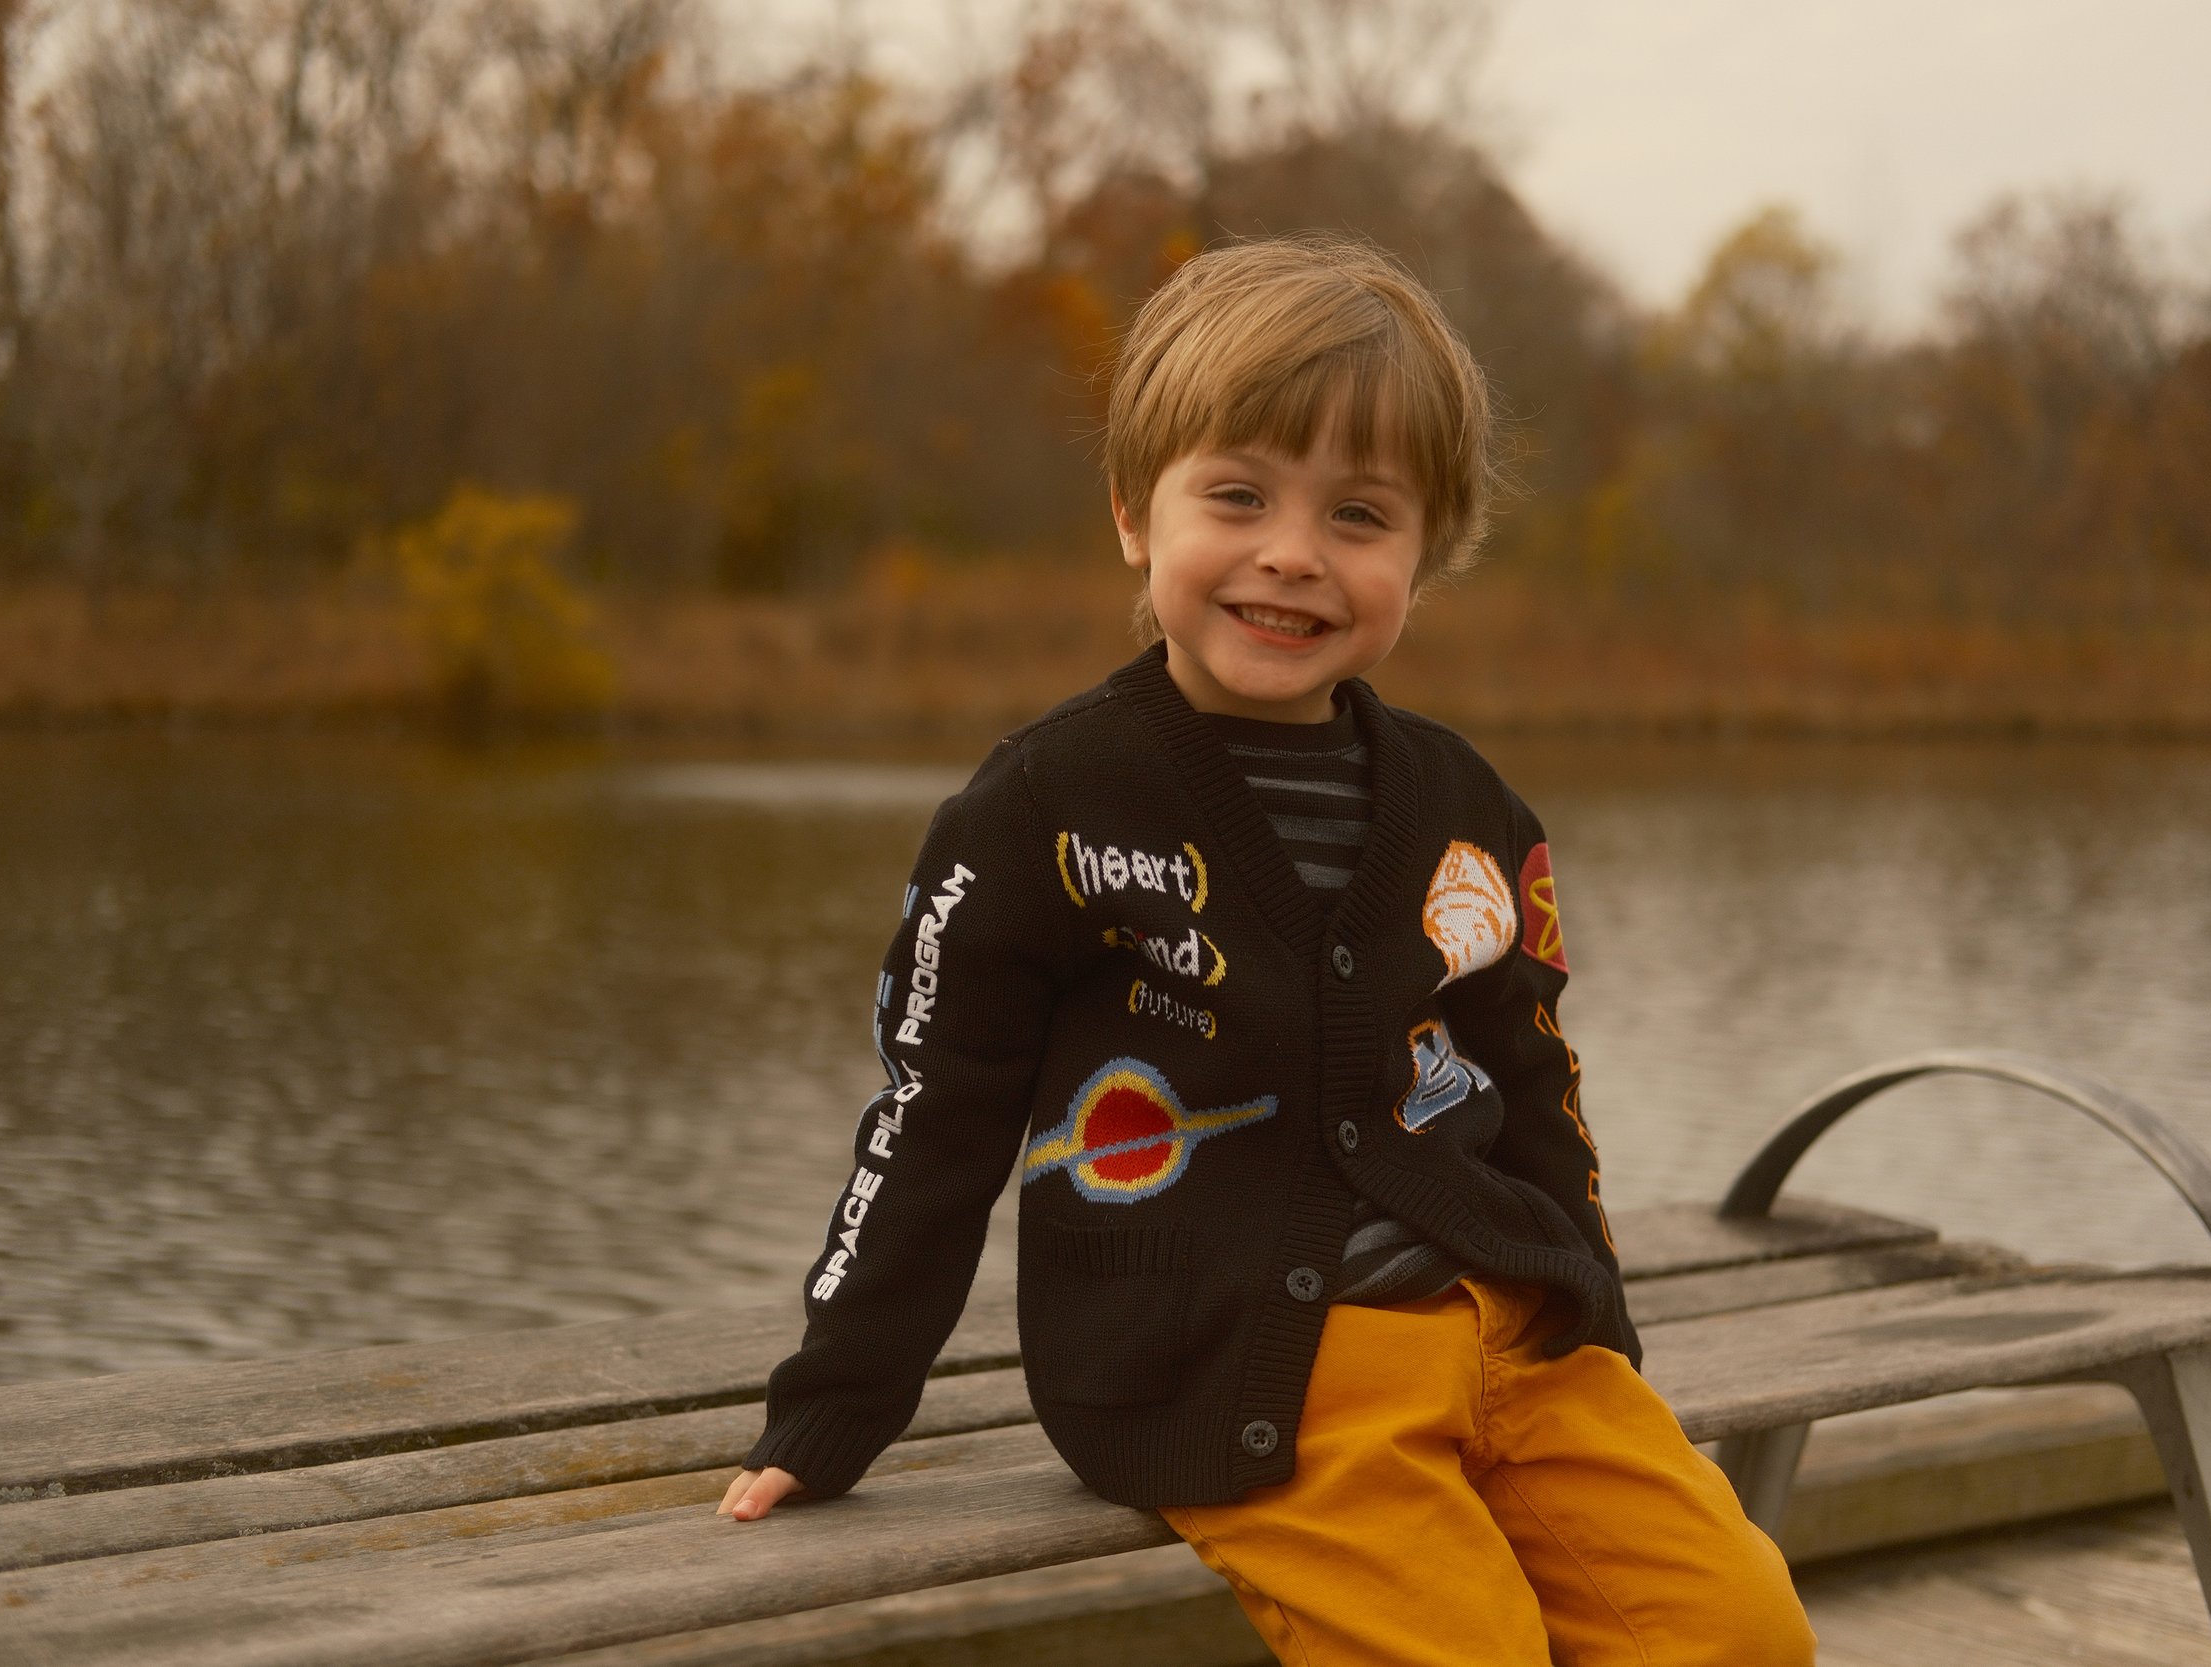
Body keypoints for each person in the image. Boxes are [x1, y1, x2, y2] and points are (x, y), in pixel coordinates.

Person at [718, 234, 1816, 1666]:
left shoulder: (1468, 807)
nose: (1294, 553)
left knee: (1744, 1634)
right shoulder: (1047, 806)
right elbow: (936, 1118)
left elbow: (1532, 1073)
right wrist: (836, 1406)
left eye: (1360, 515)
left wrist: (1590, 1302)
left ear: (1427, 552)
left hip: (1514, 1338)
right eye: (1237, 496)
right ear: (1135, 514)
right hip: (1251, 1370)